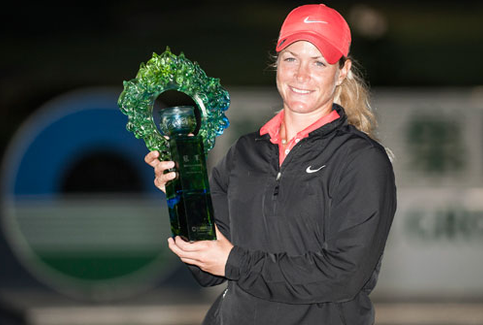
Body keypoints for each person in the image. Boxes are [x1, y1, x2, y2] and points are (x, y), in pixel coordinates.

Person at [145, 4, 396, 325]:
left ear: (342, 71)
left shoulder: (361, 161)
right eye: (291, 58)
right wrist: (182, 191)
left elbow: (343, 275)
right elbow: (206, 270)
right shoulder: (244, 154)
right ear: (276, 62)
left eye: (318, 62)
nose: (301, 74)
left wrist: (235, 262)